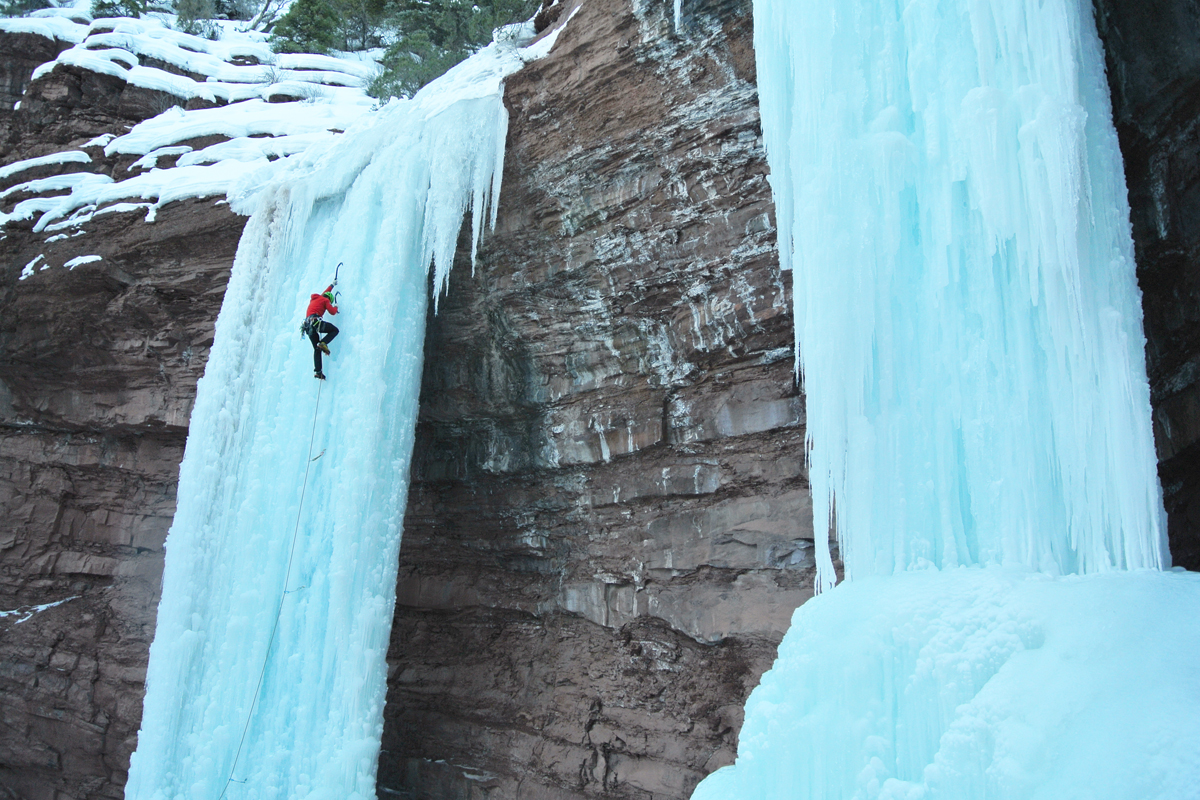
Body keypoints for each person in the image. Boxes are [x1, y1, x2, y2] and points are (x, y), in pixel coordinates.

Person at [302, 284, 339, 379]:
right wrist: (335, 307)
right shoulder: (326, 300)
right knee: (334, 330)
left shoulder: (316, 298)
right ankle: (323, 342)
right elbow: (332, 312)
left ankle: (318, 372)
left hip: (307, 326)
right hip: (315, 322)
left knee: (317, 349)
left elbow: (325, 293)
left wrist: (332, 285)